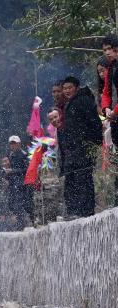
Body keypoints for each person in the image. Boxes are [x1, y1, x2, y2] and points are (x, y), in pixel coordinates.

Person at [59, 76, 102, 218]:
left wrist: (93, 143)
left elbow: (95, 123)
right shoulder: (69, 104)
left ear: (76, 88)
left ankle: (85, 212)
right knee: (71, 181)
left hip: (84, 149)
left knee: (84, 180)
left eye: (69, 88)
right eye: (64, 88)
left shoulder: (83, 101)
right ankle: (73, 212)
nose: (67, 91)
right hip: (73, 151)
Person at [4, 136, 32, 229]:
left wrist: (13, 171)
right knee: (11, 204)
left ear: (19, 144)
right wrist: (5, 175)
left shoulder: (24, 155)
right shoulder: (9, 155)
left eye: (14, 143)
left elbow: (27, 170)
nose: (13, 145)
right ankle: (19, 222)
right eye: (11, 144)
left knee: (20, 204)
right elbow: (6, 168)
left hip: (21, 184)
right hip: (12, 184)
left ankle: (22, 223)